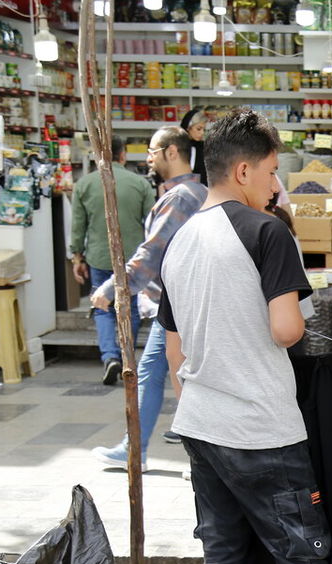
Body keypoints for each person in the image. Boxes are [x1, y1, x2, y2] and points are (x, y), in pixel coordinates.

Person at [157, 109, 332, 564]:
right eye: (270, 172)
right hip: (261, 426)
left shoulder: (180, 237)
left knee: (224, 552)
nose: (275, 185)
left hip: (201, 423)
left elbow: (178, 353)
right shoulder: (265, 232)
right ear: (242, 170)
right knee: (303, 554)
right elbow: (287, 329)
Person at [89, 126, 208, 471]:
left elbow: (149, 255)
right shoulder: (188, 193)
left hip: (179, 305)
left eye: (154, 151)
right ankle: (135, 448)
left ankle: (193, 456)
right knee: (157, 373)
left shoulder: (183, 197)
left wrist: (112, 289)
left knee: (178, 377)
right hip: (177, 304)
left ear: (173, 152)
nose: (149, 158)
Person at [69, 134, 154, 385]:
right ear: (123, 155)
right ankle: (127, 359)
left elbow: (78, 226)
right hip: (132, 257)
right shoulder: (139, 184)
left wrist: (76, 257)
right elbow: (151, 222)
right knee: (131, 308)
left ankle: (110, 357)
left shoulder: (84, 185)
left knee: (102, 307)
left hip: (99, 256)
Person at [180, 108, 209, 184]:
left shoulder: (204, 148)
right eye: (198, 129)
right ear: (188, 128)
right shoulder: (178, 147)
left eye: (204, 129)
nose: (202, 133)